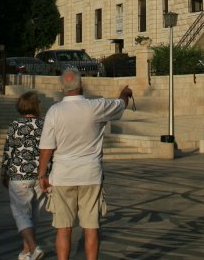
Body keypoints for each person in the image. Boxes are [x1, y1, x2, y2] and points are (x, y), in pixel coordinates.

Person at [38, 67, 133, 260]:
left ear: (62, 87)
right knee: (91, 227)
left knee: (63, 229)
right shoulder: (95, 107)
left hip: (63, 175)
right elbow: (121, 105)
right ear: (81, 85)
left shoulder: (54, 111)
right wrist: (124, 94)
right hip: (90, 174)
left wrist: (41, 175)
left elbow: (47, 148)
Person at [2, 91, 48, 260]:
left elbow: (8, 150)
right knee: (33, 216)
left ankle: (34, 248)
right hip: (40, 174)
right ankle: (26, 252)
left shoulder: (15, 125)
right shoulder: (44, 125)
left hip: (19, 174)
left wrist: (4, 172)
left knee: (21, 214)